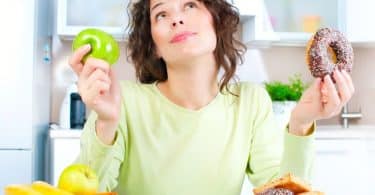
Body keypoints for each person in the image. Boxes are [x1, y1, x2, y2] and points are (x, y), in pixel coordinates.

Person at [68, 0, 354, 194]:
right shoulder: (124, 102)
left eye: (190, 5)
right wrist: (106, 122)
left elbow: (281, 192)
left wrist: (301, 123)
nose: (177, 19)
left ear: (216, 21)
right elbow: (88, 188)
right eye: (161, 14)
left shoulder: (251, 103)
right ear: (153, 44)